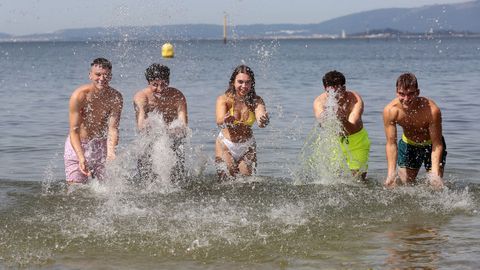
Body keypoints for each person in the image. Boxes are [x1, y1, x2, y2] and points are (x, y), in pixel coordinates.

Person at [64, 58, 123, 184]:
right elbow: (74, 130)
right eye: (98, 74)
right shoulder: (79, 96)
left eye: (106, 75)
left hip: (100, 146)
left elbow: (113, 129)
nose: (102, 78)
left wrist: (111, 152)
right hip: (78, 145)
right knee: (76, 191)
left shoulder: (115, 97)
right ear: (90, 75)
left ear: (111, 76)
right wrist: (81, 157)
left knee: (105, 191)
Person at [383, 72, 447, 188]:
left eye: (410, 94)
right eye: (402, 94)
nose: (406, 99)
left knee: (435, 185)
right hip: (409, 144)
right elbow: (391, 144)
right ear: (396, 92)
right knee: (405, 185)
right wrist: (390, 173)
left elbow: (437, 144)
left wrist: (435, 174)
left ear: (417, 92)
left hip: (432, 145)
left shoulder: (431, 110)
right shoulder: (391, 111)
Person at [133, 63, 188, 181]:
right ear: (148, 83)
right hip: (148, 141)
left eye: (164, 84)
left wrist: (175, 130)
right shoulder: (142, 97)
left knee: (178, 178)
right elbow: (141, 126)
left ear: (168, 81)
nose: (160, 89)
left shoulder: (177, 96)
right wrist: (156, 128)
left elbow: (183, 124)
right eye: (155, 85)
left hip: (173, 140)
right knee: (146, 179)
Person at [313, 70, 371, 180]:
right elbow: (322, 123)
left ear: (343, 88)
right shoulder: (319, 101)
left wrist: (342, 119)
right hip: (334, 140)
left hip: (356, 140)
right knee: (334, 180)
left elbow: (352, 126)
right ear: (325, 89)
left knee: (359, 180)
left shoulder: (354, 99)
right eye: (331, 92)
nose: (335, 95)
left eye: (338, 91)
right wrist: (328, 116)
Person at [215, 65, 269, 179]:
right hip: (226, 144)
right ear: (233, 82)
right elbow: (219, 121)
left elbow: (260, 117)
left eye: (247, 82)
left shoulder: (256, 100)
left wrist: (263, 120)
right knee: (226, 181)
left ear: (252, 84)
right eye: (240, 82)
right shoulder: (224, 99)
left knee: (247, 182)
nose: (244, 86)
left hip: (247, 146)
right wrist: (224, 119)